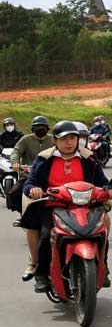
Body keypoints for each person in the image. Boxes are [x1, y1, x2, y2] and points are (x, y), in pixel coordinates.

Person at [23, 120, 112, 293]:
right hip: (54, 205)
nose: (69, 142)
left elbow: (102, 181)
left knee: (101, 230)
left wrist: (109, 190)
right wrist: (34, 189)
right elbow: (30, 182)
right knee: (46, 234)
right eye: (64, 139)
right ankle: (42, 274)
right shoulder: (44, 158)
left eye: (73, 138)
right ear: (55, 141)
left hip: (86, 205)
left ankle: (103, 267)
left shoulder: (88, 157)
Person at [10, 116, 54, 280]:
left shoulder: (54, 142)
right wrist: (15, 163)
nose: (40, 129)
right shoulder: (26, 140)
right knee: (18, 192)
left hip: (52, 181)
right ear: (32, 129)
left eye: (43, 127)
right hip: (30, 178)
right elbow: (16, 152)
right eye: (37, 127)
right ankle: (34, 262)